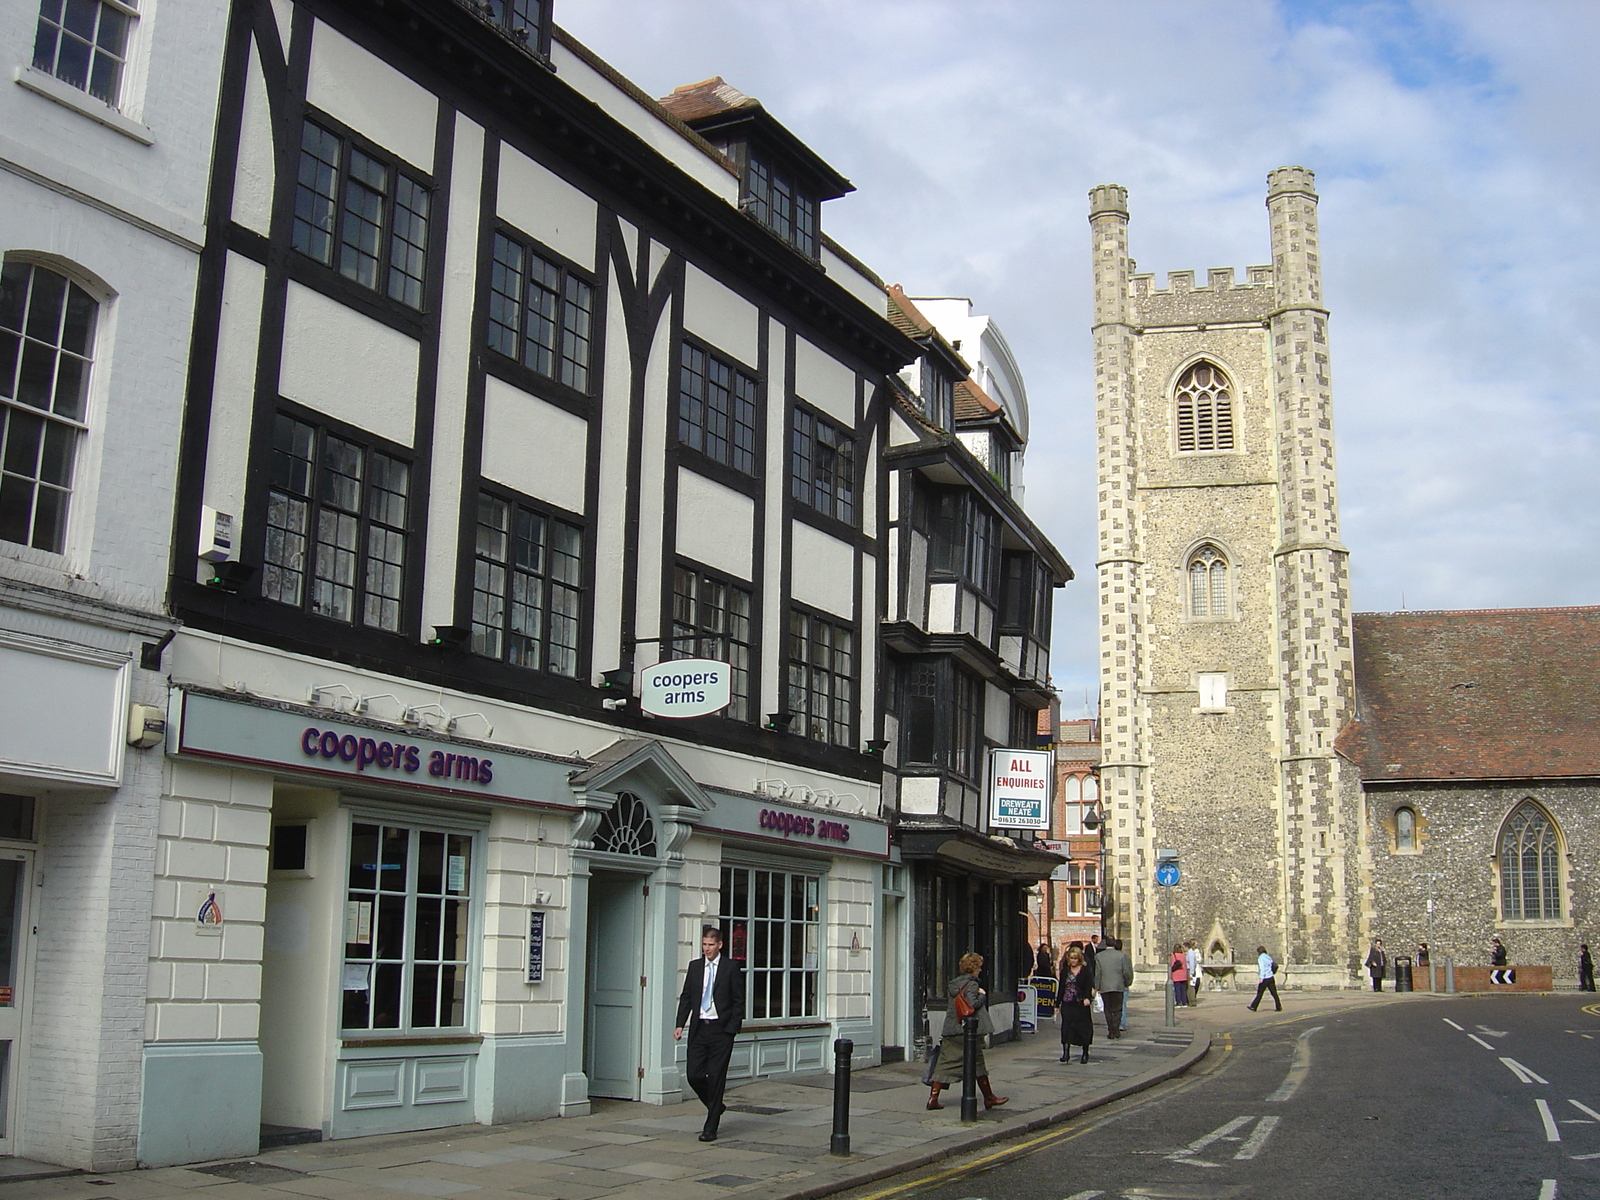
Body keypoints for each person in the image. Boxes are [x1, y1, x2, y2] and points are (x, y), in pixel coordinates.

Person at [673, 925, 745, 1142]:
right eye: (704, 944)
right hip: (699, 1028)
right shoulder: (695, 967)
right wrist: (679, 1024)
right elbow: (686, 997)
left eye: (711, 945)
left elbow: (738, 1000)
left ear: (720, 945)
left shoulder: (730, 967)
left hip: (720, 1030)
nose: (707, 949)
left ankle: (710, 1127)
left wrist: (731, 1028)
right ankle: (716, 1105)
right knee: (694, 1075)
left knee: (716, 1077)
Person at [927, 952, 1008, 1111]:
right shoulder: (972, 984)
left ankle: (933, 1098)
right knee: (977, 1064)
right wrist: (982, 996)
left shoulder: (954, 984)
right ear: (973, 968)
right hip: (967, 1031)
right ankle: (989, 1098)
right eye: (979, 967)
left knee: (945, 1064)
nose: (980, 970)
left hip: (952, 1029)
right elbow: (972, 1004)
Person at [1057, 944, 1096, 1063]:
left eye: (1075, 958)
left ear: (1080, 959)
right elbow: (1061, 988)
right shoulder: (1065, 972)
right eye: (1071, 958)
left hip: (1080, 1004)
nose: (1073, 961)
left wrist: (1087, 998)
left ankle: (1085, 1052)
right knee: (1066, 1028)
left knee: (1083, 1028)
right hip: (1067, 1003)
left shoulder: (1085, 971)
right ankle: (1066, 1052)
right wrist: (1056, 1004)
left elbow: (1089, 986)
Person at [1093, 934, 1134, 1039]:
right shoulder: (1122, 956)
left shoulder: (1099, 956)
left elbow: (1098, 973)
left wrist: (1097, 986)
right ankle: (1116, 1027)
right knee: (1117, 1009)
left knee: (1108, 1009)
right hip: (1118, 985)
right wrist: (1127, 982)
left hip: (1105, 986)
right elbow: (1126, 972)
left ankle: (1111, 1029)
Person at [1248, 945, 1282, 1012]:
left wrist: (1261, 978)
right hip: (1271, 977)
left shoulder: (1261, 958)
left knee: (1259, 993)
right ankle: (1278, 1006)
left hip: (1265, 978)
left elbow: (1262, 968)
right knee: (1274, 993)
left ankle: (1253, 1006)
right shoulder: (1268, 957)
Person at [1169, 943, 1189, 1007]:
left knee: (1177, 989)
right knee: (1183, 989)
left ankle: (1178, 1002)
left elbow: (1172, 966)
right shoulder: (1183, 955)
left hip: (1176, 975)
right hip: (1183, 974)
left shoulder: (1173, 956)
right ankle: (1184, 1002)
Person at [1184, 941, 1203, 1005]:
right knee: (1190, 986)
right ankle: (1190, 1000)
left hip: (1190, 970)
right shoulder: (1189, 953)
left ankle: (1192, 1001)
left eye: (1184, 947)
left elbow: (1192, 963)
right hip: (1190, 970)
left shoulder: (1190, 953)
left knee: (1191, 986)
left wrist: (1191, 973)